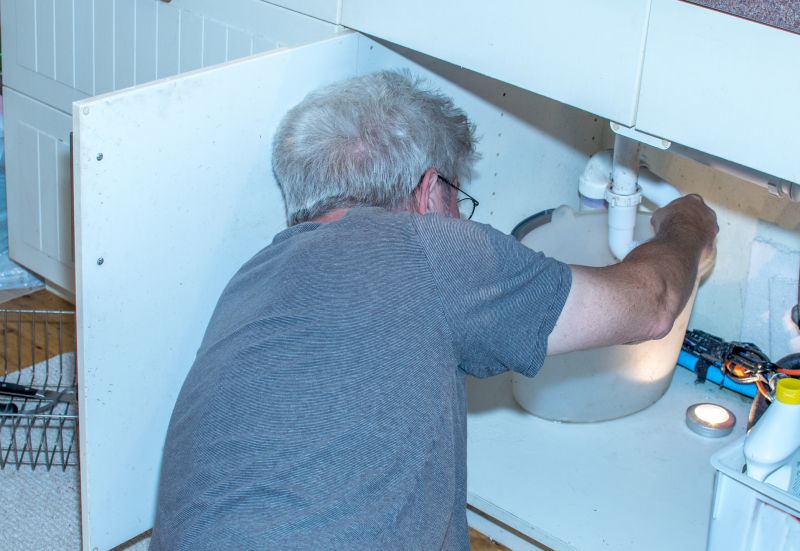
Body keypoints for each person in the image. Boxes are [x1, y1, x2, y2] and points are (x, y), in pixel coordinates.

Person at [150, 70, 717, 550]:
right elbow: (652, 305)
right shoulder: (431, 248)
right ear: (428, 191)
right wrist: (689, 224)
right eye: (458, 198)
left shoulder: (249, 278)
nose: (462, 220)